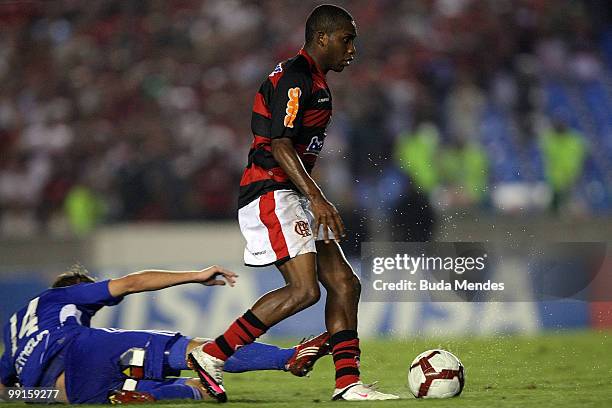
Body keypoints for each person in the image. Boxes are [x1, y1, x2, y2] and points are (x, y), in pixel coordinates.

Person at [188, 4, 398, 402]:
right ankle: (212, 354)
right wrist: (317, 198)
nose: (352, 49)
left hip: (291, 193)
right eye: (346, 39)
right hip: (270, 191)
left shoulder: (314, 81)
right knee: (304, 291)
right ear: (323, 38)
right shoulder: (296, 79)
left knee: (344, 283)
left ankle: (348, 384)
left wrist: (312, 197)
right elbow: (280, 144)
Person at [0, 265, 331, 404]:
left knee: (194, 387)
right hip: (81, 351)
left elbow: (4, 391)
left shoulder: (12, 331)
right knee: (200, 351)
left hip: (66, 391)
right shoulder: (62, 295)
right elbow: (131, 282)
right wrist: (195, 276)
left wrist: (41, 396)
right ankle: (288, 358)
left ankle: (165, 393)